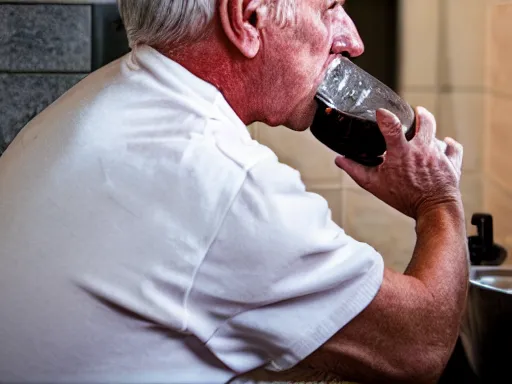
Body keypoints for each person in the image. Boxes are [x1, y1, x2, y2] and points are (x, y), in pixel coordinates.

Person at [0, 0, 468, 383]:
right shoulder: (219, 175)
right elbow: (419, 347)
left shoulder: (95, 100)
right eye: (329, 9)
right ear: (247, 19)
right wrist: (437, 201)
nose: (353, 39)